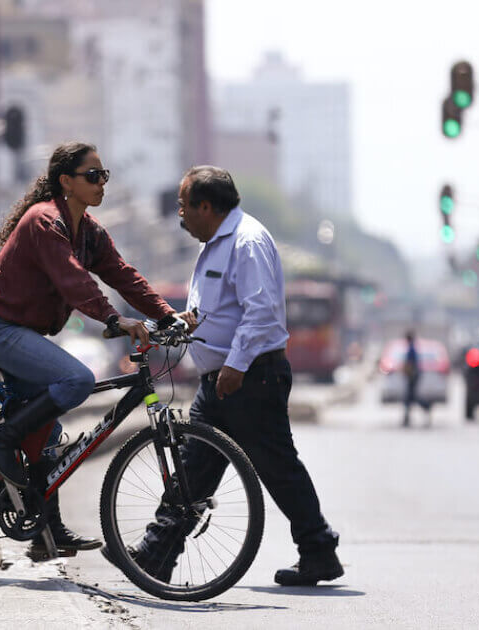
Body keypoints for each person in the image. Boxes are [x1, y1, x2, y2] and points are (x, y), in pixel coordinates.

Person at [122, 165, 342, 586]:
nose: (180, 216)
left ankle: (318, 549)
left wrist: (235, 365)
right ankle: (157, 552)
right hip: (223, 379)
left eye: (184, 207)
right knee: (194, 466)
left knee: (276, 465)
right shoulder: (215, 245)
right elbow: (226, 310)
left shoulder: (247, 241)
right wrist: (190, 324)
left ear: (206, 206)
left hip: (249, 376)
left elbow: (260, 313)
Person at [0, 141, 175, 557]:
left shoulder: (89, 231)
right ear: (66, 181)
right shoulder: (46, 221)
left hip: (17, 332)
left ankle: (47, 534)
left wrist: (167, 315)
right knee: (77, 379)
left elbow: (122, 274)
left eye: (104, 176)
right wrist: (115, 319)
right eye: (92, 176)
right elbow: (72, 280)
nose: (101, 183)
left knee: (49, 434)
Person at [401, 331, 430, 427]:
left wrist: (407, 371)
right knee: (410, 396)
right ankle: (407, 417)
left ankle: (425, 406)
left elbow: (410, 363)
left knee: (411, 396)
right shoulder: (412, 348)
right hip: (413, 375)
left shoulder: (411, 349)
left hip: (412, 375)